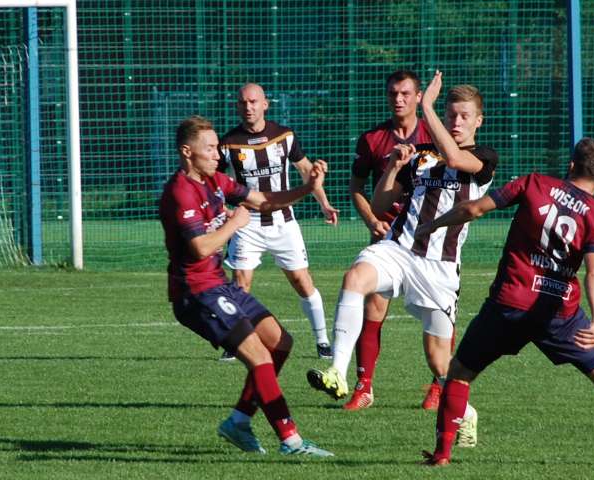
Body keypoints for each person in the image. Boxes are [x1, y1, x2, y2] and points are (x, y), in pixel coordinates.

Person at [415, 137, 594, 469]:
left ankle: (442, 455)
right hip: (560, 314)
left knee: (460, 374)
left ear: (570, 166)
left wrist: (431, 224)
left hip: (509, 304)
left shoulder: (533, 183)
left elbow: (474, 208)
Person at [307, 71, 497, 447]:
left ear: (479, 120)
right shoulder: (423, 158)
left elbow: (457, 159)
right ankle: (339, 372)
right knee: (355, 278)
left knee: (439, 362)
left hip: (439, 269)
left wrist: (426, 107)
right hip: (399, 250)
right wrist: (395, 166)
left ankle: (467, 412)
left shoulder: (483, 158)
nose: (456, 122)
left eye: (463, 116)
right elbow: (379, 204)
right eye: (451, 115)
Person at [159, 115, 333, 457]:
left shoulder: (217, 181)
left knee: (280, 343)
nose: (216, 154)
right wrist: (236, 223)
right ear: (186, 152)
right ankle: (291, 441)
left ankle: (239, 421)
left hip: (218, 285)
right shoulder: (180, 192)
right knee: (259, 358)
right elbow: (201, 248)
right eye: (209, 148)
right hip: (195, 293)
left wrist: (308, 189)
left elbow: (264, 202)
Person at [219, 83, 339, 362]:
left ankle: (322, 341)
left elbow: (307, 170)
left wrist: (324, 203)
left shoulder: (284, 136)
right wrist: (223, 211)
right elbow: (215, 183)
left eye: (252, 101)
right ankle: (235, 342)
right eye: (242, 102)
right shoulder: (228, 143)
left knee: (301, 280)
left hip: (283, 222)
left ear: (265, 104)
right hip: (247, 223)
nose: (247, 107)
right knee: (240, 283)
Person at [344, 69, 438, 411]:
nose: (398, 99)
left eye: (405, 93)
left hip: (429, 243)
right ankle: (364, 386)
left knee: (436, 317)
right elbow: (355, 187)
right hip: (389, 241)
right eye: (393, 94)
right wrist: (372, 219)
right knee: (373, 305)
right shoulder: (373, 139)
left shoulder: (435, 135)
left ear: (417, 97)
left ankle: (438, 385)